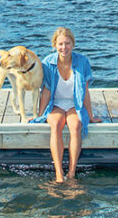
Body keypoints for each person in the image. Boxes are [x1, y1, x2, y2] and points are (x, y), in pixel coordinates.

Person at [30, 27, 101, 182]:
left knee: (76, 126)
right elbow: (46, 91)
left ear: (73, 44)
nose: (64, 47)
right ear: (55, 44)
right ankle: (59, 173)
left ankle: (72, 173)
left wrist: (90, 116)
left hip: (74, 104)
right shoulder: (47, 63)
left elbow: (85, 92)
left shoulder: (82, 62)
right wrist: (40, 115)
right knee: (56, 125)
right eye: (60, 44)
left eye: (67, 43)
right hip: (55, 104)